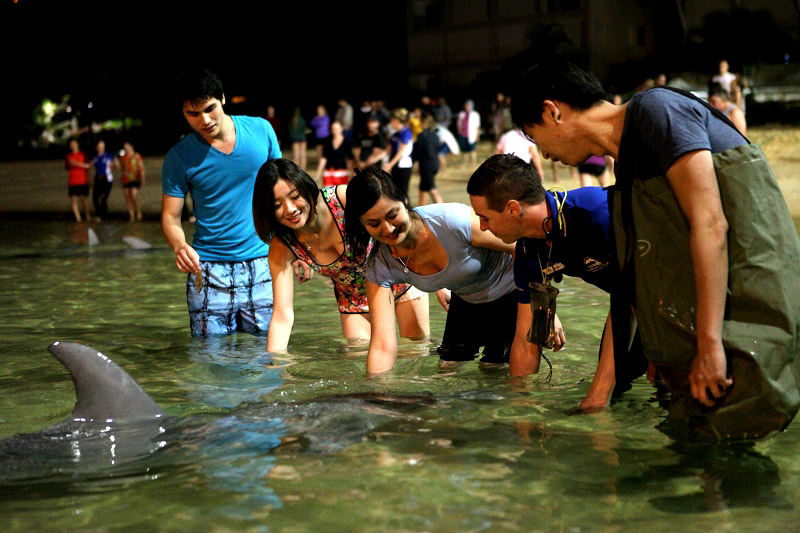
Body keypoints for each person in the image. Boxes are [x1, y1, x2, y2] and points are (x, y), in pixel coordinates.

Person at [511, 60, 800, 439]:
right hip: (722, 319)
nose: (543, 154)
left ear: (553, 111)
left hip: (754, 308)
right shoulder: (628, 166)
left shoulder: (656, 110)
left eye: (536, 137)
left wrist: (710, 345)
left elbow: (711, 224)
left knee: (727, 444)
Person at [467, 153, 647, 410]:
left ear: (513, 208)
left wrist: (597, 394)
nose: (483, 227)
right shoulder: (529, 251)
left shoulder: (596, 214)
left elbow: (631, 295)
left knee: (639, 384)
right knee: (618, 391)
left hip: (666, 293)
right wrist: (520, 404)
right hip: (630, 305)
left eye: (485, 217)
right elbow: (525, 336)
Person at [344, 166, 530, 374]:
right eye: (373, 223)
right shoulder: (380, 265)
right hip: (466, 300)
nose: (387, 229)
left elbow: (525, 248)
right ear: (362, 225)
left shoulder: (452, 220)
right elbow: (382, 346)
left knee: (494, 371)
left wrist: (540, 309)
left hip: (514, 294)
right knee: (447, 370)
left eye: (392, 215)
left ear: (404, 201)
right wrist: (374, 392)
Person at [252, 158, 430, 351]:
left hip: (398, 277)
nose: (290, 209)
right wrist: (275, 364)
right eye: (277, 205)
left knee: (414, 353)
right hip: (354, 298)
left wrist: (437, 279)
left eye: (295, 196)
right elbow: (282, 314)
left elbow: (402, 222)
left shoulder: (344, 199)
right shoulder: (283, 245)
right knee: (357, 362)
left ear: (306, 187)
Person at [160, 67, 281, 336]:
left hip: (264, 260)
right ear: (183, 112)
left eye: (210, 108)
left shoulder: (261, 130)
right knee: (209, 357)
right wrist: (180, 246)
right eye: (193, 113)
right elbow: (170, 216)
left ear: (223, 98)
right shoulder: (179, 157)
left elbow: (282, 194)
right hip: (208, 270)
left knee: (268, 355)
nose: (204, 120)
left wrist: (296, 247)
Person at [412, 112, 444, 206]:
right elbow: (438, 149)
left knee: (432, 189)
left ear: (423, 122)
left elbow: (418, 151)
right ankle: (420, 212)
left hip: (426, 166)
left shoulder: (421, 135)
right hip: (434, 164)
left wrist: (415, 163)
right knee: (423, 189)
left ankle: (443, 209)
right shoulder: (435, 136)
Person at [383, 108, 414, 197]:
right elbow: (387, 150)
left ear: (396, 120)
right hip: (395, 166)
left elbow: (401, 152)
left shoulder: (406, 132)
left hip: (404, 165)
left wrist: (390, 164)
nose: (390, 123)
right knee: (395, 191)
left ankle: (406, 210)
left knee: (403, 192)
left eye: (391, 121)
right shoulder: (394, 135)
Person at [315, 120, 353, 186]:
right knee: (327, 195)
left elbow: (350, 159)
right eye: (333, 129)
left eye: (336, 129)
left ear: (341, 129)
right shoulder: (327, 142)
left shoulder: (347, 142)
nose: (334, 131)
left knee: (341, 195)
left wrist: (351, 173)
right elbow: (324, 158)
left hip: (342, 174)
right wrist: (318, 173)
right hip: (329, 173)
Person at [118, 141, 145, 222]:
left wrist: (142, 180)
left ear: (131, 146)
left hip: (135, 179)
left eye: (127, 146)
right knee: (127, 197)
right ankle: (131, 215)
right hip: (125, 179)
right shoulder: (123, 157)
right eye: (124, 147)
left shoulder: (137, 156)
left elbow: (141, 168)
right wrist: (116, 165)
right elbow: (121, 169)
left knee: (133, 195)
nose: (126, 148)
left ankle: (138, 212)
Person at [65, 138, 90, 222]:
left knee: (83, 199)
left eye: (74, 143)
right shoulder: (68, 156)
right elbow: (67, 167)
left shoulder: (83, 154)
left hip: (82, 180)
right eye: (71, 144)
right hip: (72, 181)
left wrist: (76, 163)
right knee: (73, 200)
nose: (73, 145)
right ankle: (78, 219)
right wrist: (72, 165)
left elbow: (88, 166)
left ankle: (87, 216)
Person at [90, 139, 115, 221]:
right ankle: (100, 215)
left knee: (103, 198)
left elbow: (113, 165)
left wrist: (115, 164)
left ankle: (104, 216)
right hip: (98, 179)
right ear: (96, 147)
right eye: (99, 146)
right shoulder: (95, 157)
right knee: (95, 198)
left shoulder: (108, 156)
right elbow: (89, 166)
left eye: (102, 146)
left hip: (106, 179)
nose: (101, 148)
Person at [457, 99, 480, 167]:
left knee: (472, 150)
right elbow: (459, 123)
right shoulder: (461, 114)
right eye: (466, 105)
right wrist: (459, 131)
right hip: (463, 135)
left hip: (472, 135)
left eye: (468, 105)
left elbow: (477, 126)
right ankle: (465, 163)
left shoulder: (475, 114)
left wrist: (477, 135)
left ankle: (473, 164)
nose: (467, 107)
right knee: (464, 151)